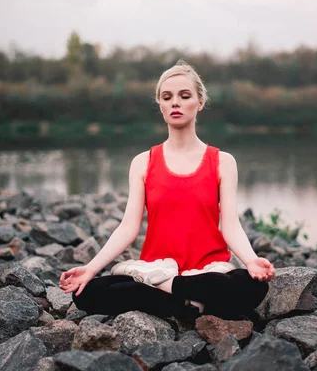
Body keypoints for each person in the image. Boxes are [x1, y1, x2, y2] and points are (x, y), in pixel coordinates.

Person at [59, 60, 275, 320]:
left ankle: (165, 291)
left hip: (208, 270)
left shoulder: (223, 162)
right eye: (167, 97)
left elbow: (230, 226)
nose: (175, 103)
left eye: (185, 96)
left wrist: (251, 260)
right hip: (156, 265)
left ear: (200, 102)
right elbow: (128, 227)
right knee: (86, 292)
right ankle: (188, 301)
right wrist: (91, 268)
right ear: (160, 105)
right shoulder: (143, 162)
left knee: (251, 286)